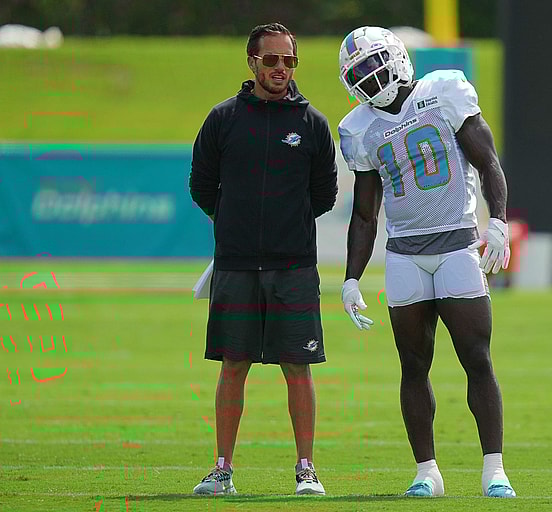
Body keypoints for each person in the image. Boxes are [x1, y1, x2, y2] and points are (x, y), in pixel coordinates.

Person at [337, 27, 516, 498]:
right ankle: (427, 473)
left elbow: (488, 161)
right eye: (359, 73)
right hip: (404, 255)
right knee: (412, 365)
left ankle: (494, 470)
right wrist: (351, 278)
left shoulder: (443, 91)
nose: (370, 78)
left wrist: (499, 221)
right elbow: (364, 213)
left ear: (397, 58)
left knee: (477, 358)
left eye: (373, 65)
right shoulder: (358, 129)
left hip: (457, 244)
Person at [189, 22, 337, 496]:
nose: (280, 68)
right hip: (235, 266)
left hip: (294, 267)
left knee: (298, 366)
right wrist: (236, 223)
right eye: (271, 59)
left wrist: (283, 227)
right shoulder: (223, 119)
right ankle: (222, 469)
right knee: (233, 365)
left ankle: (306, 469)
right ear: (252, 61)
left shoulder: (312, 123)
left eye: (288, 60)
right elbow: (201, 186)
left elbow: (324, 195)